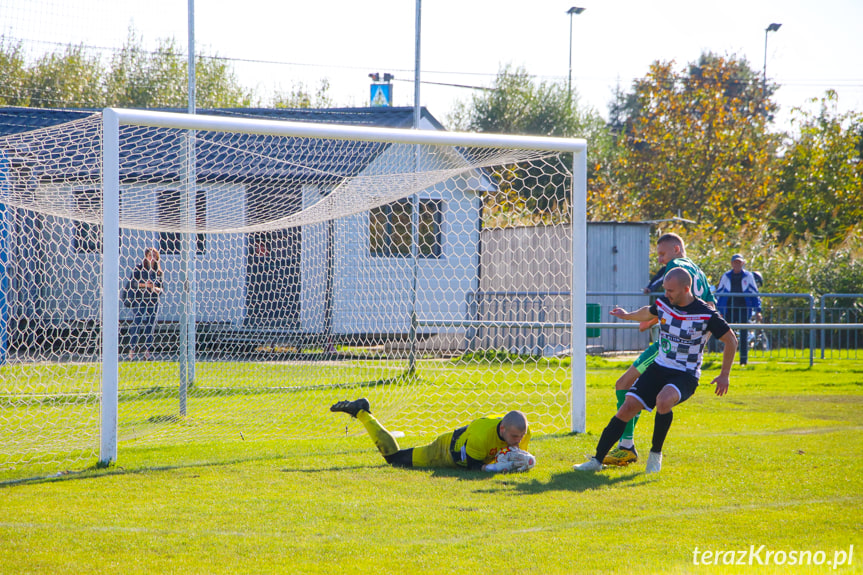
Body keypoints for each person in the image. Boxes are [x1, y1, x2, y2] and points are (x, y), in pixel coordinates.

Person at [574, 268, 737, 474]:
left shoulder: (706, 313)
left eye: (671, 291)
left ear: (686, 289)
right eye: (665, 290)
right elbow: (649, 311)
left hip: (685, 374)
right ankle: (596, 460)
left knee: (663, 400)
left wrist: (724, 375)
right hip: (659, 367)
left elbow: (731, 340)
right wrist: (627, 315)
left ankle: (655, 455)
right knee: (627, 408)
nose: (666, 294)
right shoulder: (665, 302)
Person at [603, 233, 716, 466]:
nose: (661, 261)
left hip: (671, 346)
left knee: (623, 385)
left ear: (676, 249)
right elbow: (708, 307)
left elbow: (679, 306)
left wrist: (657, 322)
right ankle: (626, 445)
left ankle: (626, 447)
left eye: (662, 254)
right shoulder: (698, 271)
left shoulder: (676, 266)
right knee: (625, 386)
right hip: (681, 342)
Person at [329, 398, 532, 472]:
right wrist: (498, 468)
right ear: (503, 429)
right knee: (394, 459)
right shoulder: (481, 435)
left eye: (521, 436)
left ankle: (361, 411)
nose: (519, 440)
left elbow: (516, 455)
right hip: (445, 450)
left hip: (465, 444)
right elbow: (473, 468)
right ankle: (362, 412)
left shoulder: (523, 431)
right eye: (515, 437)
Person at [715, 254, 762, 366]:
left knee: (744, 334)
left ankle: (743, 360)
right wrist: (719, 310)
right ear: (731, 264)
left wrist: (758, 310)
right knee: (726, 335)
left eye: (739, 262)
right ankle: (726, 361)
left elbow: (754, 293)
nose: (737, 264)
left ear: (743, 263)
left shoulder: (748, 276)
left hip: (743, 309)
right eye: (735, 262)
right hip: (729, 309)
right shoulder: (726, 276)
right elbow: (720, 293)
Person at [127, 247, 163, 360]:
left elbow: (162, 289)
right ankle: (131, 352)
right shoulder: (139, 268)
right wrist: (145, 285)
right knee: (137, 323)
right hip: (140, 299)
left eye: (154, 256)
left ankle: (147, 352)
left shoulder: (158, 272)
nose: (152, 258)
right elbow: (133, 283)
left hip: (153, 300)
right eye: (150, 256)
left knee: (150, 325)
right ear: (146, 257)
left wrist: (155, 288)